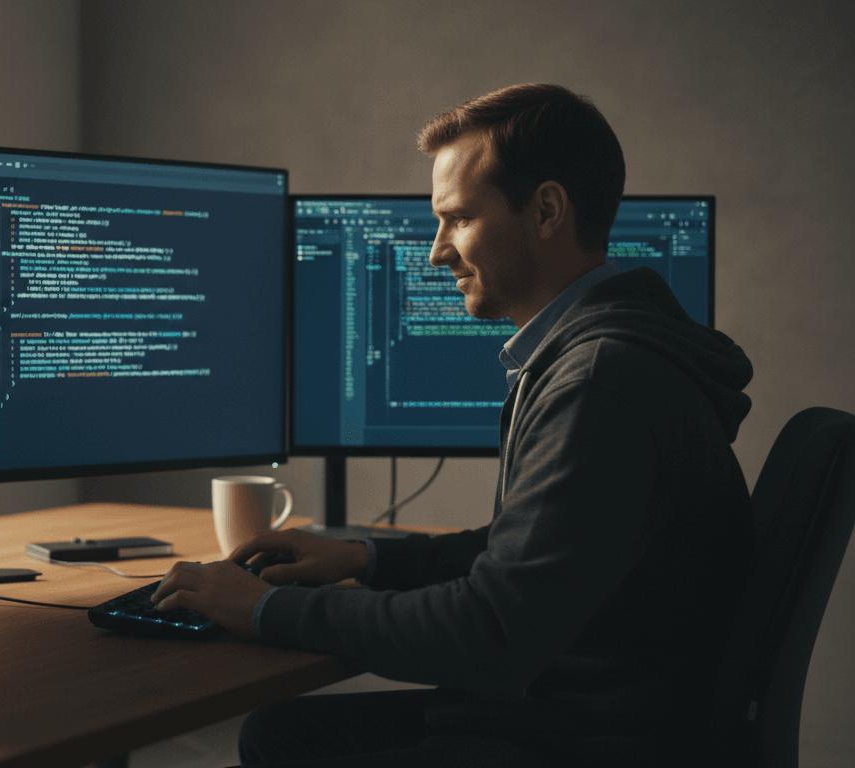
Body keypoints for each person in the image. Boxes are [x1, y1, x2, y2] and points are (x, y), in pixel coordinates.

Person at [151, 83, 753, 767]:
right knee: (275, 732)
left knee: (281, 737)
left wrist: (262, 610)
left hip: (582, 740)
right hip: (590, 712)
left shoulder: (600, 381)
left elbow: (491, 631)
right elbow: (525, 549)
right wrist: (368, 557)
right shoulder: (608, 350)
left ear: (547, 209)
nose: (437, 252)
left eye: (458, 219)